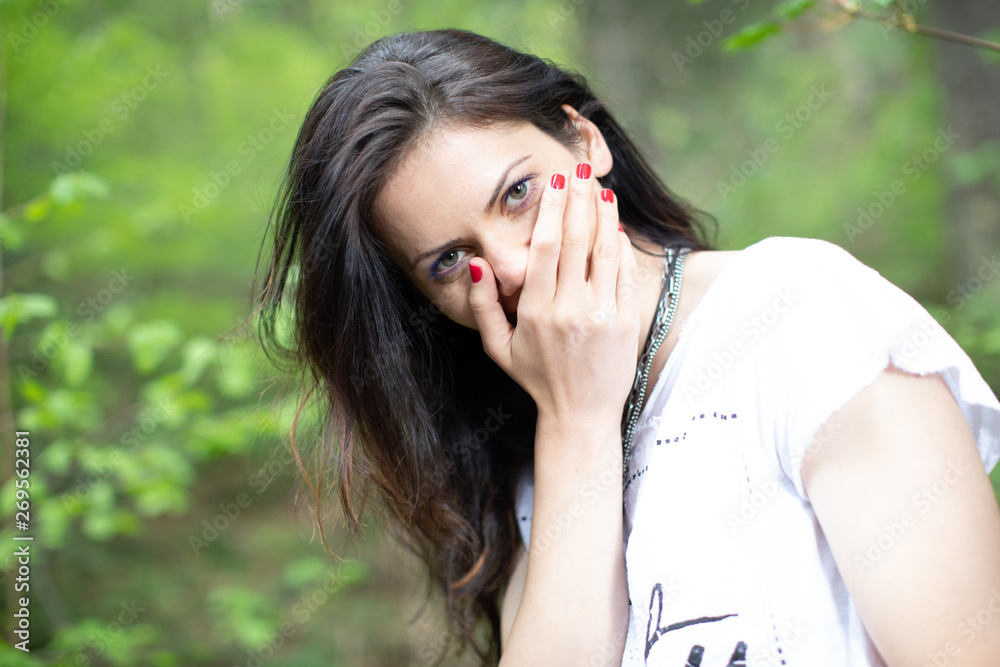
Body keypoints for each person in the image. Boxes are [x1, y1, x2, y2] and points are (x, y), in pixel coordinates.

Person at [253, 28, 1000, 666]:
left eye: (518, 192)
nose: (511, 266)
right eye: (450, 260)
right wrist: (576, 422)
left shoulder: (799, 317)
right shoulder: (530, 454)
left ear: (586, 140)